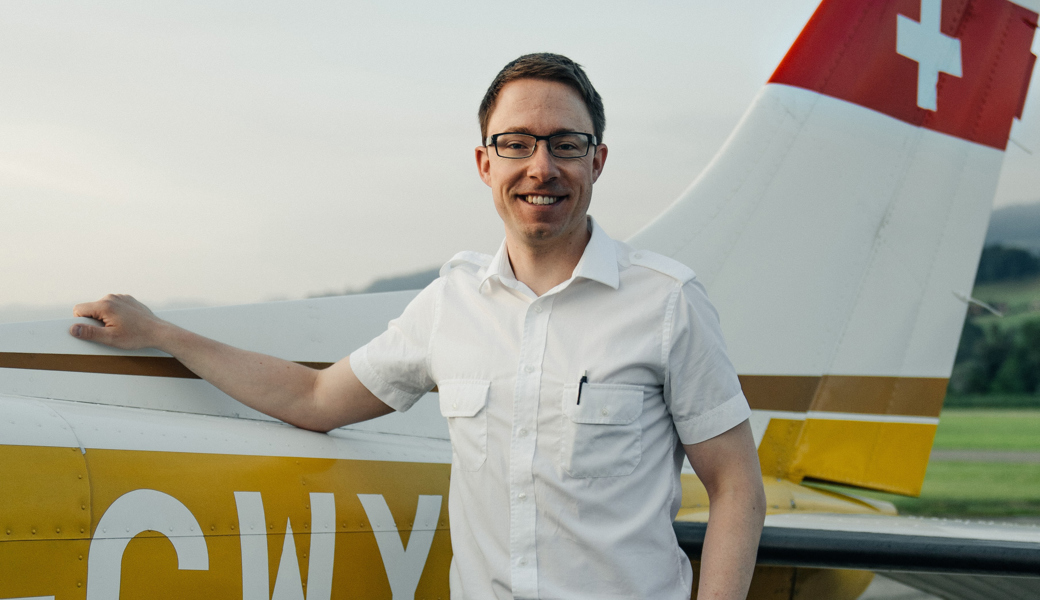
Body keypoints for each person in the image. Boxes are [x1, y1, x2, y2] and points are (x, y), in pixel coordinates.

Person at [70, 53, 765, 600]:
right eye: (517, 144)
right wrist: (163, 333)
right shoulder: (450, 305)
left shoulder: (667, 302)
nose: (541, 168)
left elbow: (736, 485)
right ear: (483, 162)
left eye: (566, 144)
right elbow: (313, 401)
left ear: (598, 161)